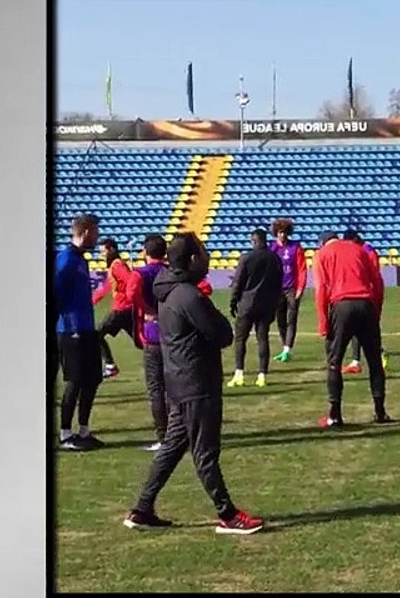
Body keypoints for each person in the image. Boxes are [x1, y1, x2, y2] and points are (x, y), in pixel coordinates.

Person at [123, 231, 264, 535]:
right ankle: (227, 515)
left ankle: (141, 508)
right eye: (202, 253)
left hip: (180, 381)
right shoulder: (188, 295)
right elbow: (223, 333)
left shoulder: (171, 290)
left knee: (172, 448)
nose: (207, 258)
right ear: (190, 260)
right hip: (195, 382)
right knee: (205, 451)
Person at [315, 231, 389, 428]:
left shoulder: (322, 255)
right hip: (366, 304)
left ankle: (335, 414)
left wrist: (323, 323)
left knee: (334, 361)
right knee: (374, 361)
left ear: (323, 243)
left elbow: (322, 288)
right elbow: (378, 282)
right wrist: (376, 309)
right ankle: (380, 410)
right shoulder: (359, 250)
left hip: (342, 306)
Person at [55, 214, 106, 451]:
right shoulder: (66, 259)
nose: (97, 236)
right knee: (74, 381)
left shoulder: (81, 260)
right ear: (84, 231)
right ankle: (65, 434)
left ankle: (84, 430)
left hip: (86, 329)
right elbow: (55, 292)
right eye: (94, 231)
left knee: (92, 379)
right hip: (71, 330)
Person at [127, 234, 173, 451]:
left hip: (152, 334)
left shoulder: (139, 273)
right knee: (174, 387)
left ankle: (164, 437)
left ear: (145, 251)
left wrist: (146, 310)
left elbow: (131, 294)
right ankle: (179, 433)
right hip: (174, 334)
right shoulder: (171, 271)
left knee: (156, 388)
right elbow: (204, 287)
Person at [227, 229, 284, 388]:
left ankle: (239, 374)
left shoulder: (246, 258)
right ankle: (262, 375)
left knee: (240, 339)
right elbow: (279, 282)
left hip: (248, 303)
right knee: (262, 338)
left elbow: (238, 282)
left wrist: (233, 301)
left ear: (254, 240)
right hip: (266, 304)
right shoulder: (275, 258)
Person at [342, 230, 388, 375]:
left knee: (367, 330)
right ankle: (356, 361)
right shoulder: (362, 251)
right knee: (357, 329)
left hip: (368, 296)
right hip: (362, 295)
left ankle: (379, 353)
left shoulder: (367, 252)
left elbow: (373, 275)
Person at [93, 238, 137, 379]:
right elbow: (106, 287)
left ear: (112, 249)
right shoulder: (114, 266)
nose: (102, 255)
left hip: (122, 309)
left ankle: (110, 366)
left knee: (96, 335)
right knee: (141, 341)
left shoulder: (117, 266)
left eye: (103, 251)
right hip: (126, 309)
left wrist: (128, 298)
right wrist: (92, 301)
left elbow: (131, 280)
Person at [269, 218, 307, 364]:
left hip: (291, 289)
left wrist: (300, 288)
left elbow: (302, 269)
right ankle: (285, 346)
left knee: (292, 319)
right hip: (277, 289)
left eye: (284, 232)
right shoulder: (272, 249)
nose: (282, 235)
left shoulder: (295, 248)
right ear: (275, 233)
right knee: (280, 320)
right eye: (279, 232)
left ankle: (287, 349)